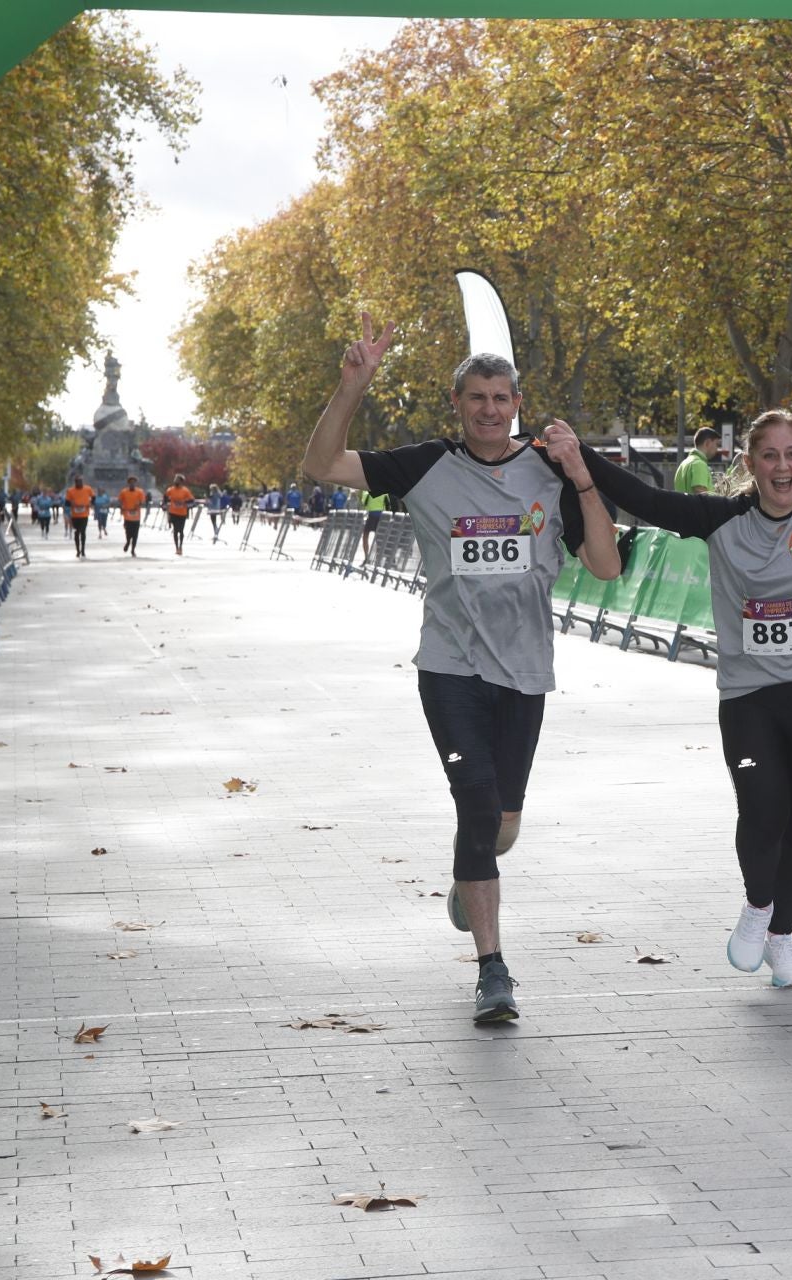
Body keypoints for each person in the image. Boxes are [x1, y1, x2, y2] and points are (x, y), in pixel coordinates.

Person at [301, 314, 620, 1023]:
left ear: (516, 404)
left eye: (501, 398)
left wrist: (584, 479)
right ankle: (493, 969)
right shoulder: (427, 464)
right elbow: (323, 466)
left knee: (502, 825)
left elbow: (604, 565)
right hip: (449, 670)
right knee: (476, 808)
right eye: (476, 398)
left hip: (526, 672)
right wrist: (351, 387)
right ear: (459, 404)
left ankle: (470, 872)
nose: (489, 409)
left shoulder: (548, 469)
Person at [560, 398, 792, 988]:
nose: (782, 467)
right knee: (764, 811)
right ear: (750, 462)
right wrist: (579, 458)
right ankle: (758, 906)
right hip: (750, 695)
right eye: (769, 456)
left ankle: (782, 937)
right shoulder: (721, 519)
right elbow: (648, 502)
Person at [675, 427, 722, 494]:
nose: (717, 449)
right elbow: (702, 498)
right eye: (716, 444)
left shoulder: (683, 464)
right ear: (707, 443)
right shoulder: (699, 464)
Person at [64, 473, 96, 559]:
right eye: (78, 482)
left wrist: (90, 504)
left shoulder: (88, 489)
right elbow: (66, 503)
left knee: (83, 531)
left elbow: (93, 497)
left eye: (81, 481)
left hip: (84, 514)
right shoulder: (70, 491)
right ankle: (78, 550)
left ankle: (83, 550)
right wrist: (72, 503)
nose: (80, 483)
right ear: (75, 482)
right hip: (75, 515)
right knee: (77, 532)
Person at [164, 474, 194, 556]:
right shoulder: (170, 490)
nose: (175, 481)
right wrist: (165, 504)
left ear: (181, 481)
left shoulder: (185, 491)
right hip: (173, 512)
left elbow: (191, 500)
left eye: (177, 480)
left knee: (181, 531)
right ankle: (176, 547)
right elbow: (165, 497)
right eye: (175, 479)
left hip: (182, 513)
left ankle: (181, 546)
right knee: (175, 530)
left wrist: (184, 502)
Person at [118, 476, 147, 556]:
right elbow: (120, 501)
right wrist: (121, 508)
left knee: (135, 534)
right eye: (131, 482)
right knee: (128, 532)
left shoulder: (140, 492)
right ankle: (127, 542)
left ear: (135, 483)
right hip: (127, 515)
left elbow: (142, 501)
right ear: (128, 483)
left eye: (134, 482)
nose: (132, 484)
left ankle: (133, 549)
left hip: (136, 516)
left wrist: (139, 504)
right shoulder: (124, 492)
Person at [361, 490, 387, 564]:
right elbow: (387, 506)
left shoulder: (366, 492)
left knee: (365, 536)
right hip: (381, 517)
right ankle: (378, 559)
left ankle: (366, 557)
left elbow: (364, 503)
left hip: (371, 515)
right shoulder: (384, 493)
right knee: (378, 539)